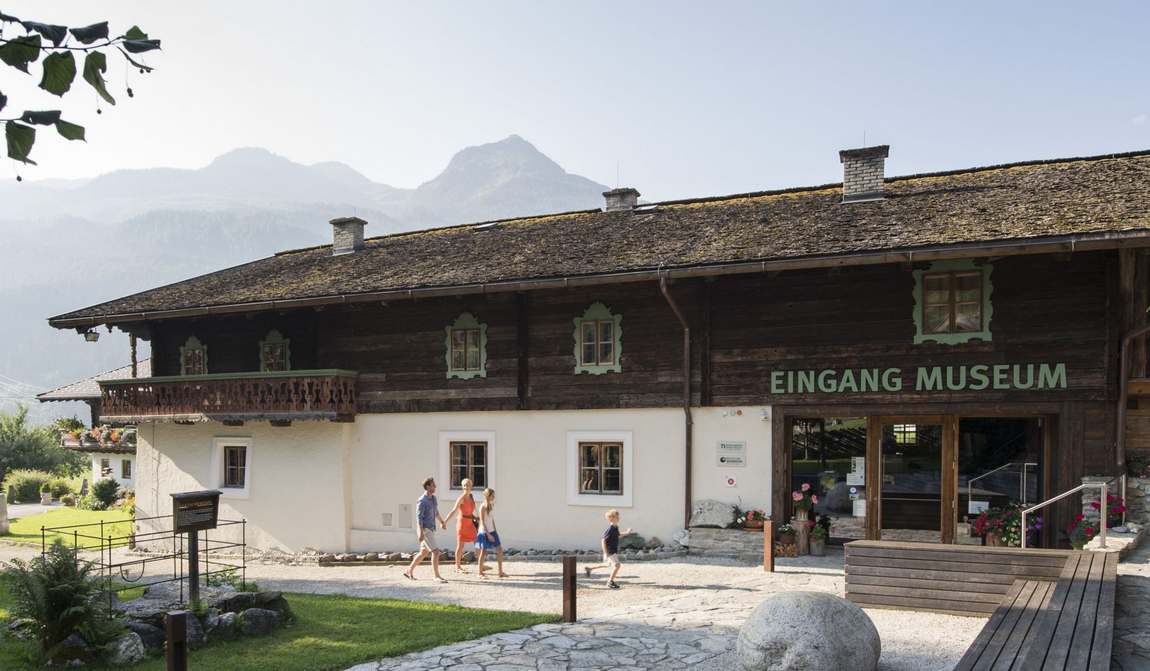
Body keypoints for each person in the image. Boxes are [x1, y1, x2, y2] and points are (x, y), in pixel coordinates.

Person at [403, 477, 448, 583]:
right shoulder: (422, 501)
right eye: (433, 485)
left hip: (431, 528)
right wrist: (420, 532)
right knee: (436, 552)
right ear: (428, 487)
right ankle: (436, 576)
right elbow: (419, 518)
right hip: (425, 530)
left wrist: (442, 522)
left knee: (423, 552)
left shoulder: (433, 498)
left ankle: (408, 571)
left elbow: (436, 512)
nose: (435, 486)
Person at [584, 509, 630, 589]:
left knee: (607, 564)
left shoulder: (615, 527)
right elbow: (603, 540)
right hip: (610, 551)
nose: (618, 518)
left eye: (618, 516)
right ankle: (610, 582)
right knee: (617, 565)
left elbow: (618, 535)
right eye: (616, 516)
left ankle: (589, 569)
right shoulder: (610, 529)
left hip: (612, 550)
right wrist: (605, 552)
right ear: (611, 518)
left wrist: (627, 532)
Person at [443, 478, 479, 573]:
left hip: (470, 523)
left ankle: (480, 564)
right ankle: (457, 567)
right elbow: (453, 510)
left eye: (468, 485)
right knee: (460, 545)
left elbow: (470, 512)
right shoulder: (461, 498)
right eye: (464, 485)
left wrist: (476, 517)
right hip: (462, 523)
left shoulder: (471, 497)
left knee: (477, 542)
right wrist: (445, 522)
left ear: (471, 486)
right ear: (462, 487)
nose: (466, 487)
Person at [475, 488, 508, 579]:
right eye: (492, 495)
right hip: (484, 532)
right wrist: (488, 534)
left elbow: (491, 520)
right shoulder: (482, 507)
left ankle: (500, 572)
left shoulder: (491, 505)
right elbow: (482, 522)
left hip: (492, 531)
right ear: (488, 496)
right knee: (483, 552)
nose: (494, 497)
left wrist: (495, 531)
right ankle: (480, 573)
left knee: (500, 549)